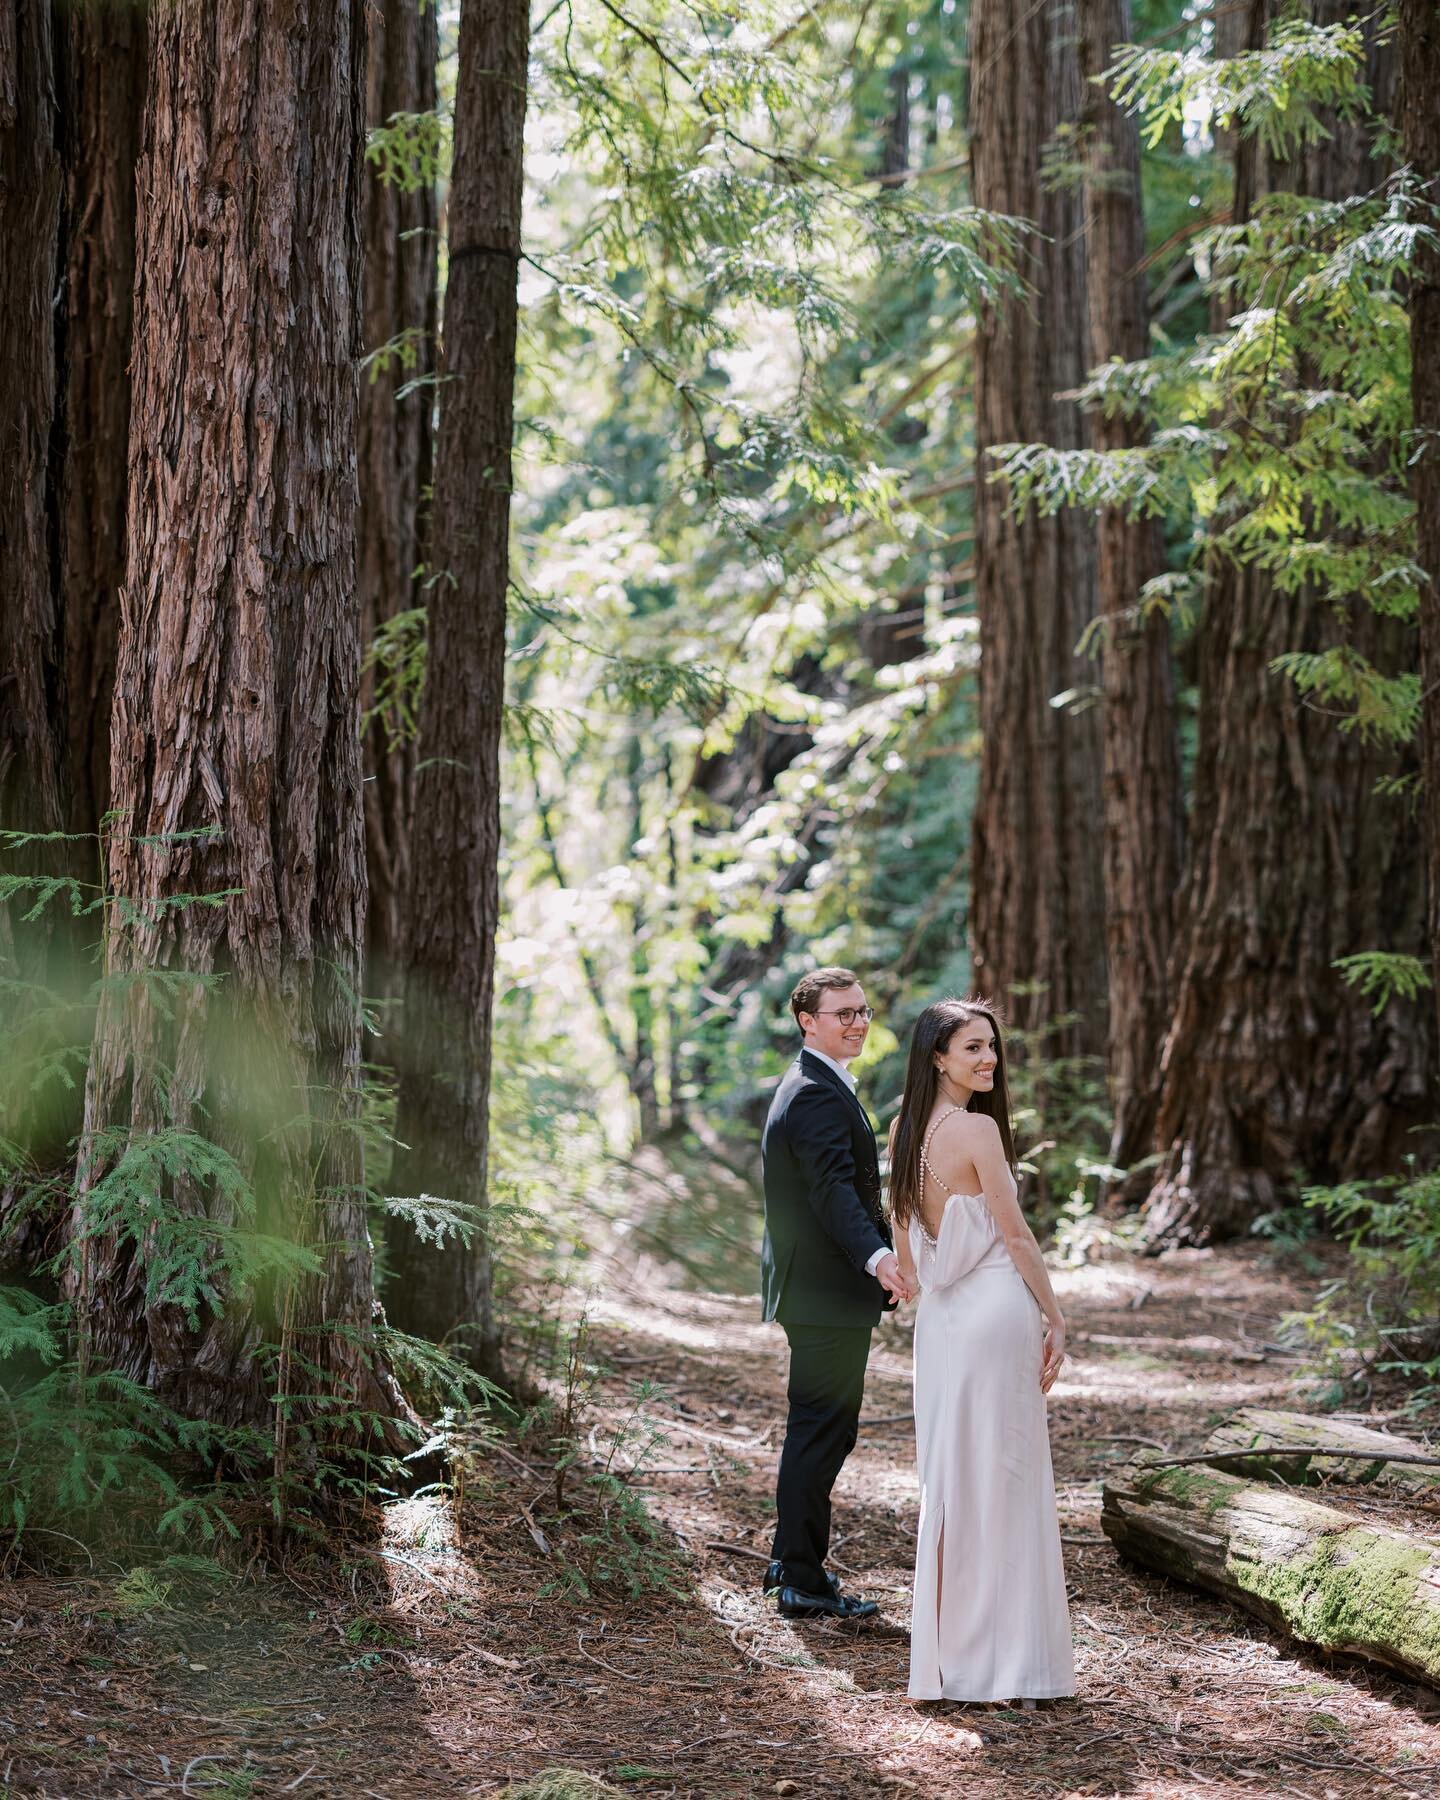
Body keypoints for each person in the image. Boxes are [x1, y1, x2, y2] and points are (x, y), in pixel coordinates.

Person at [889, 997, 1074, 1703]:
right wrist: (1055, 1315)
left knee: (955, 1484)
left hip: (941, 1323)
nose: (988, 1059)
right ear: (938, 1056)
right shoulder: (974, 1132)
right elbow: (1018, 1235)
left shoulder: (907, 1129)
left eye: (991, 1046)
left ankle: (958, 1661)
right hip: (995, 1308)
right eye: (972, 1047)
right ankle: (1014, 1667)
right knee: (1006, 1480)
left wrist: (927, 1281)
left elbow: (905, 1249)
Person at [760, 966, 912, 1620]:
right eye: (841, 1013)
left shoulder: (818, 1083)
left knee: (824, 1429)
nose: (856, 1022)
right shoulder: (816, 1094)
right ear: (807, 1020)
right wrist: (879, 1256)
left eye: (862, 1011)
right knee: (821, 1432)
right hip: (824, 1293)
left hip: (820, 1292)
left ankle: (789, 1560)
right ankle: (799, 1579)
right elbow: (833, 1192)